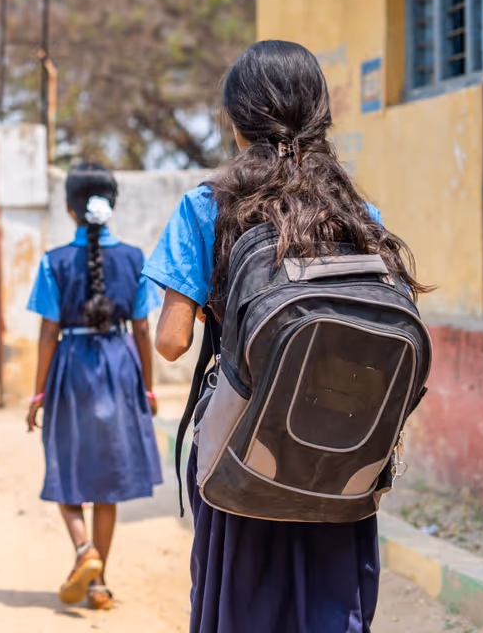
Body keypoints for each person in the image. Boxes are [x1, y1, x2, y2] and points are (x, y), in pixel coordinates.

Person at [143, 40, 428, 633]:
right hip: (343, 451)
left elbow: (170, 341)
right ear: (320, 115)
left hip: (243, 453)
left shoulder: (208, 207)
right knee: (332, 608)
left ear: (237, 120)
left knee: (242, 608)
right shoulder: (357, 212)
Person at [24, 163, 163, 610]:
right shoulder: (135, 258)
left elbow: (48, 333)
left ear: (70, 208)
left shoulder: (54, 261)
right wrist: (148, 389)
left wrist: (38, 393)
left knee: (65, 469)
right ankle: (98, 583)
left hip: (71, 368)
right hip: (121, 367)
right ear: (113, 205)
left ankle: (84, 550)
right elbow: (142, 329)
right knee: (107, 480)